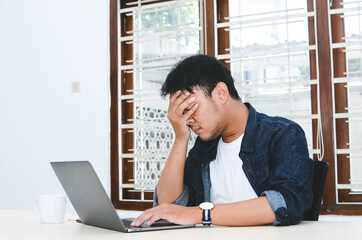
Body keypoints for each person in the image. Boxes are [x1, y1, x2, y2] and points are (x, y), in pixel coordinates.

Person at [131, 54, 314, 227]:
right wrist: (181, 137)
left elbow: (286, 203)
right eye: (182, 112)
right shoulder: (205, 146)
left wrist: (199, 214)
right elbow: (167, 206)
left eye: (190, 108)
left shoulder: (282, 134)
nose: (187, 120)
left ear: (220, 93)